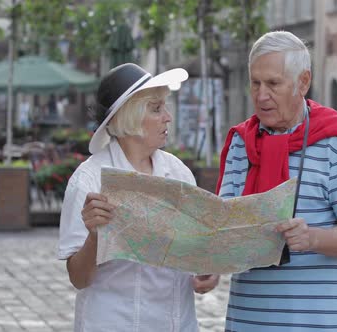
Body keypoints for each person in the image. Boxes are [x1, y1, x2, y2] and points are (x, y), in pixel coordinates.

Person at [216, 31, 337, 331]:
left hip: (313, 323)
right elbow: (221, 229)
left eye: (273, 83)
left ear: (303, 82)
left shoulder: (336, 144)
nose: (261, 95)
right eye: (256, 83)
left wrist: (312, 238)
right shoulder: (240, 143)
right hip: (246, 321)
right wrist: (210, 266)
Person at [58, 63, 219, 331]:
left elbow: (197, 256)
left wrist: (207, 272)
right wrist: (95, 237)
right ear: (129, 118)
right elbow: (78, 278)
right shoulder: (89, 180)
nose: (168, 117)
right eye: (156, 108)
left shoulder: (179, 173)